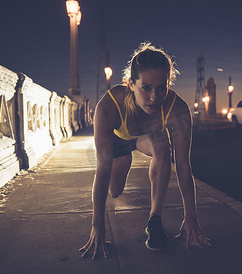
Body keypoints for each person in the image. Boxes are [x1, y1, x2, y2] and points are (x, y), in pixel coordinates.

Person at [80, 43, 210, 259]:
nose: (154, 97)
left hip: (147, 138)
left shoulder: (177, 109)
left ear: (168, 84)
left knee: (163, 147)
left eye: (161, 88)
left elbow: (184, 167)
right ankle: (125, 160)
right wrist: (97, 226)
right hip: (119, 142)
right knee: (114, 191)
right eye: (146, 88)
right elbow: (102, 170)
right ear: (131, 84)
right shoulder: (109, 106)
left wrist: (191, 217)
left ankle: (154, 220)